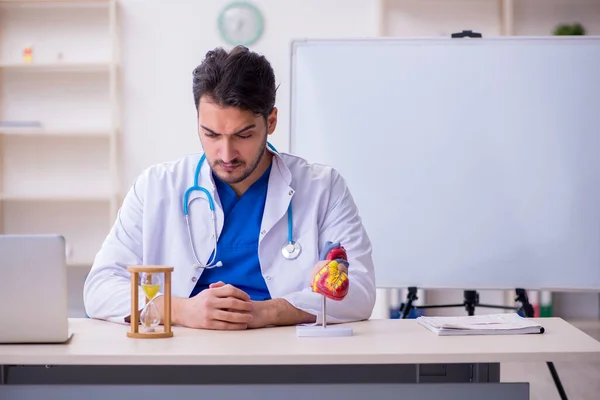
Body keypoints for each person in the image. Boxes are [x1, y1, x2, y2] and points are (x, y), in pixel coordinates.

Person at [83, 45, 376, 330]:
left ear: (271, 121)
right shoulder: (157, 187)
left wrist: (267, 312)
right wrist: (181, 309)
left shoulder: (322, 188)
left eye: (243, 135)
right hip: (181, 353)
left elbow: (359, 291)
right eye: (210, 134)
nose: (226, 154)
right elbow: (100, 288)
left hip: (285, 354)